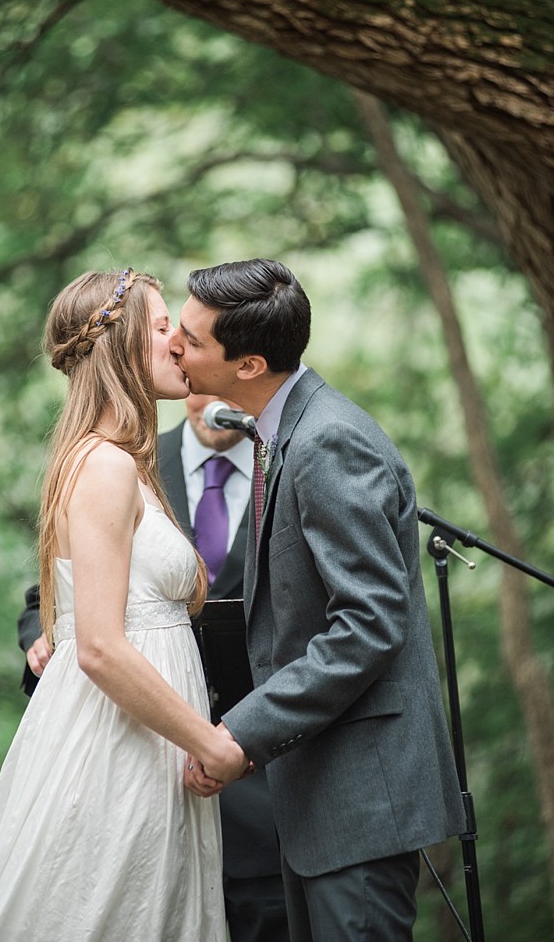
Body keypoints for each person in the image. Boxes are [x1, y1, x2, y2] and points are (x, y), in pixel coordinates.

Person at [0, 268, 250, 942]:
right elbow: (101, 646)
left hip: (149, 748)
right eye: (164, 328)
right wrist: (209, 741)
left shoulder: (126, 462)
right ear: (126, 345)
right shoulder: (104, 466)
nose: (180, 343)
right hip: (119, 748)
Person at [172, 259, 466, 942]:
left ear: (248, 364)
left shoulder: (327, 440)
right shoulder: (282, 429)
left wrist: (239, 733)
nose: (175, 347)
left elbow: (367, 624)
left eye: (190, 338)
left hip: (360, 801)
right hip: (321, 801)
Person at [18, 393, 291, 942]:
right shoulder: (127, 464)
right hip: (138, 764)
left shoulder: (287, 466)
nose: (209, 401)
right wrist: (41, 640)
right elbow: (46, 596)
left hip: (263, 783)